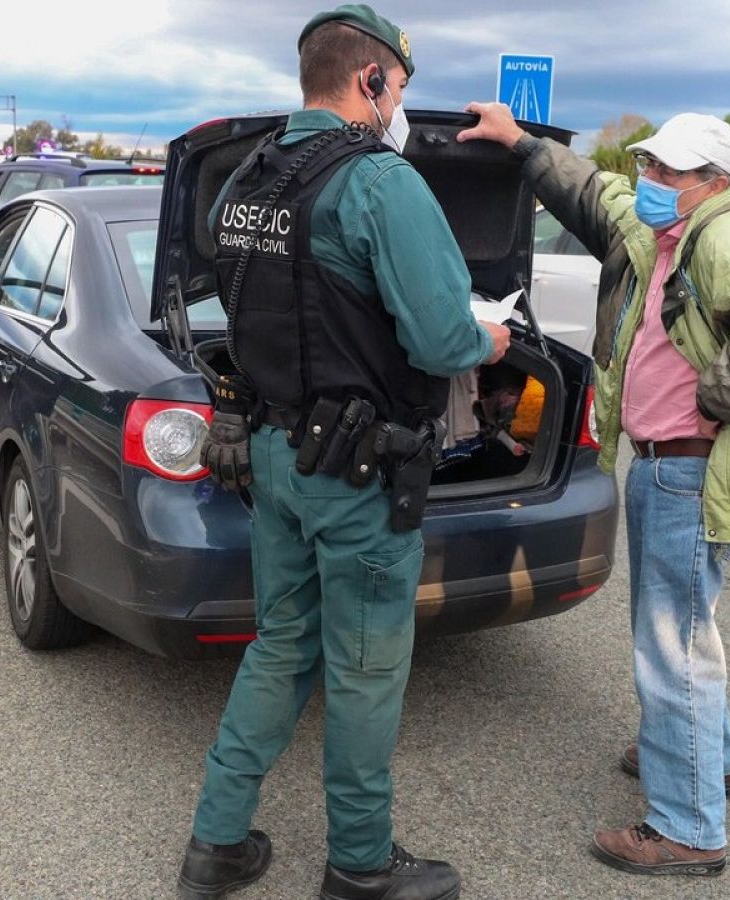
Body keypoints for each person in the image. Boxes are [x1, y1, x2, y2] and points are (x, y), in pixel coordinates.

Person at [176, 5, 510, 899]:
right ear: (372, 79)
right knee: (365, 672)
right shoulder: (378, 182)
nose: (400, 102)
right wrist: (489, 340)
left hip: (276, 458)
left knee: (281, 644)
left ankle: (217, 843)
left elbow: (251, 308)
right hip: (359, 476)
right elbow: (441, 342)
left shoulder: (246, 178)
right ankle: (360, 865)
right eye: (399, 85)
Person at [457, 105, 730, 876]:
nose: (652, 180)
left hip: (689, 468)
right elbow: (599, 194)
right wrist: (523, 145)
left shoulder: (726, 237)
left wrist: (714, 398)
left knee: (672, 647)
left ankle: (688, 827)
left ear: (715, 183)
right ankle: (710, 761)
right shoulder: (669, 232)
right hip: (670, 467)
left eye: (670, 172)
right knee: (688, 629)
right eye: (652, 166)